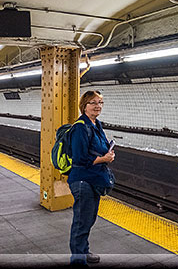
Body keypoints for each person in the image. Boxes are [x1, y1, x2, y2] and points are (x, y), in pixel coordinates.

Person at [68, 90, 115, 266]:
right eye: (93, 103)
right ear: (84, 106)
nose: (98, 106)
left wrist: (108, 152)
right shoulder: (80, 127)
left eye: (100, 103)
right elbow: (79, 158)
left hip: (93, 178)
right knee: (81, 221)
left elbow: (100, 146)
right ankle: (77, 260)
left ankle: (84, 251)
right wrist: (103, 159)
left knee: (88, 219)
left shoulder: (97, 124)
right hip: (82, 180)